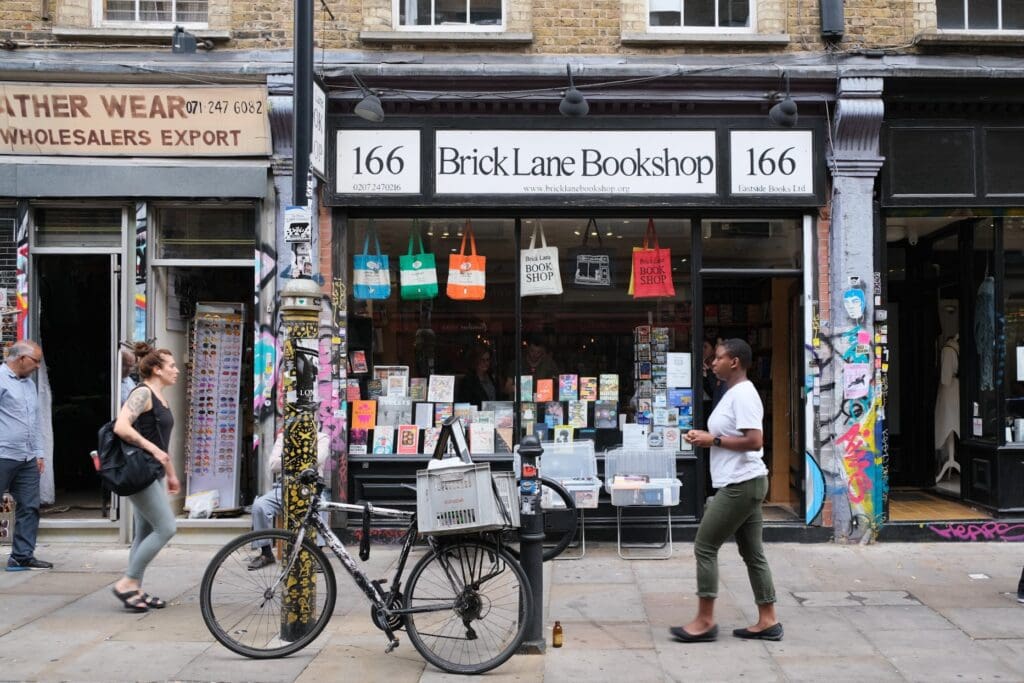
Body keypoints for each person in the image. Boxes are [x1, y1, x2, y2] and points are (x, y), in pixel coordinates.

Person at [671, 338, 782, 643]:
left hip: (741, 484)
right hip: (745, 481)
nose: (712, 362)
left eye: (718, 358)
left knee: (704, 546)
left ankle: (705, 621)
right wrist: (708, 436)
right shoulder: (731, 392)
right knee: (752, 552)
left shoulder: (743, 394)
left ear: (734, 362)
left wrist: (713, 441)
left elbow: (755, 440)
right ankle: (768, 619)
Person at [110, 343, 181, 612]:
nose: (175, 370)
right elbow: (121, 426)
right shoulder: (142, 393)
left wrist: (171, 474)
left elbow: (162, 442)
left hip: (154, 471)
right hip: (139, 471)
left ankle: (135, 590)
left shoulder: (160, 396)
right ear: (156, 369)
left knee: (145, 532)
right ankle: (127, 582)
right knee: (166, 528)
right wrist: (152, 450)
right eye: (171, 366)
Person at [1, 340, 53, 571]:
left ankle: (22, 556)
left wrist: (39, 452)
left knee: (30, 506)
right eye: (36, 361)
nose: (38, 367)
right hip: (3, 454)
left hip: (27, 458)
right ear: (21, 358)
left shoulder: (29, 384)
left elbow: (35, 421)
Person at [247, 427, 331, 570]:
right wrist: (302, 459)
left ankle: (319, 555)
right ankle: (266, 553)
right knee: (259, 505)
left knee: (321, 505)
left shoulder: (321, 437)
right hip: (284, 487)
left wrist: (287, 459)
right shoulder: (283, 437)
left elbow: (317, 460)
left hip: (311, 488)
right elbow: (273, 464)